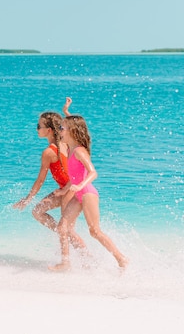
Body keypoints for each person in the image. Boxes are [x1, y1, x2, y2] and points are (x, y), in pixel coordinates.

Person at [49, 115, 128, 271]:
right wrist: (65, 190)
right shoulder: (70, 149)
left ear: (72, 131)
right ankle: (65, 263)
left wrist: (79, 186)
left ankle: (122, 259)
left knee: (94, 231)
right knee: (62, 227)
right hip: (79, 195)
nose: (59, 131)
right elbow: (74, 176)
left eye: (62, 128)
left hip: (87, 193)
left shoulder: (79, 151)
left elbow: (93, 173)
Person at [13, 98, 87, 252]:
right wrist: (66, 112)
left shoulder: (48, 152)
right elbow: (76, 131)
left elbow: (40, 180)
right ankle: (66, 239)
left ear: (49, 131)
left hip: (70, 191)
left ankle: (84, 259)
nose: (36, 129)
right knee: (38, 212)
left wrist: (28, 199)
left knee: (67, 229)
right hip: (67, 189)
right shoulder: (66, 143)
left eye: (38, 126)